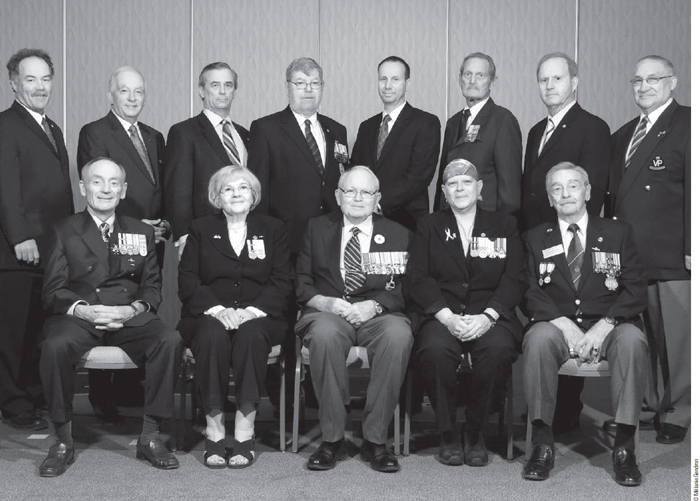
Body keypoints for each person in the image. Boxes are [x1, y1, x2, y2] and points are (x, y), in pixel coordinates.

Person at [39, 158, 182, 477]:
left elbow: (152, 286)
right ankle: (62, 441)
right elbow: (52, 290)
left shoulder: (141, 230)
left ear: (124, 189)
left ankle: (151, 436)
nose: (106, 189)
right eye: (97, 181)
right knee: (54, 346)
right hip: (80, 315)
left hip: (127, 315)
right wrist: (84, 309)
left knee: (169, 340)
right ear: (82, 187)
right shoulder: (64, 229)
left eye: (114, 182)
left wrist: (133, 309)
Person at [521, 162, 649, 486]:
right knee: (536, 340)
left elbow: (635, 288)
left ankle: (624, 449)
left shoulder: (619, 233)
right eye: (557, 189)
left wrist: (604, 326)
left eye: (573, 186)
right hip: (556, 324)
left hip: (611, 325)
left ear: (588, 192)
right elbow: (528, 291)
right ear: (550, 199)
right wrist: (562, 323)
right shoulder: (534, 238)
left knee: (633, 341)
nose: (566, 194)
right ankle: (541, 444)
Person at [407, 159, 524, 467]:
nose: (460, 188)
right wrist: (445, 316)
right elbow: (418, 277)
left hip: (490, 315)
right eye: (453, 184)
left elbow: (515, 278)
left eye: (467, 182)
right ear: (444, 192)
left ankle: (476, 431)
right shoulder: (428, 226)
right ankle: (447, 432)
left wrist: (488, 316)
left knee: (497, 350)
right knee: (433, 350)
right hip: (441, 314)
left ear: (480, 188)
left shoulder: (505, 225)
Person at [295, 166, 412, 473]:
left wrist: (374, 305)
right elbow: (301, 282)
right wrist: (324, 302)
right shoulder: (316, 228)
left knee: (398, 336)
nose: (358, 198)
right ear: (338, 195)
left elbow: (406, 287)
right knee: (323, 335)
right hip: (329, 313)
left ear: (378, 199)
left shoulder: (399, 233)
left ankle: (376, 441)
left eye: (366, 192)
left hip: (379, 313)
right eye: (350, 191)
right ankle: (332, 440)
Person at [178, 165, 294, 469]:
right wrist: (219, 311)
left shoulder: (273, 229)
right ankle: (214, 428)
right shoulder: (200, 228)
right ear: (217, 197)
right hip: (208, 314)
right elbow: (188, 279)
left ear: (254, 195)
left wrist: (250, 312)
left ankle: (245, 429)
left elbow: (283, 280)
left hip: (261, 315)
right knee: (211, 334)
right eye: (228, 189)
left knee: (252, 334)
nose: (236, 194)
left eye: (243, 187)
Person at [520, 52, 612, 435]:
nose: (550, 86)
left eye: (557, 79)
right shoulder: (535, 130)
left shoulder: (592, 127)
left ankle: (567, 410)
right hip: (539, 241)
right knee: (546, 317)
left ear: (574, 82)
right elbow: (530, 191)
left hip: (574, 239)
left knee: (574, 312)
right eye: (543, 80)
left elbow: (595, 188)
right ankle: (547, 408)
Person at [607, 55, 690, 445]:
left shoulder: (689, 125)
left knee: (675, 341)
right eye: (637, 80)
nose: (644, 86)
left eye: (653, 79)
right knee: (638, 339)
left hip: (671, 254)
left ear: (672, 82)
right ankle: (644, 405)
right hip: (628, 257)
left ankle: (679, 412)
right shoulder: (624, 133)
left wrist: (693, 245)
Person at [77, 66, 168, 420]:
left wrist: (162, 226)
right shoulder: (95, 132)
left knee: (141, 309)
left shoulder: (154, 136)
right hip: (112, 236)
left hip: (151, 240)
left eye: (139, 92)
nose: (133, 98)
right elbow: (100, 185)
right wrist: (133, 225)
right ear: (111, 93)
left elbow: (161, 188)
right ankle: (103, 395)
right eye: (125, 91)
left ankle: (133, 387)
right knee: (108, 306)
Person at [0, 49, 73, 430]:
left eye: (45, 79)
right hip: (18, 253)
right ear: (13, 82)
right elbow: (6, 187)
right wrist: (20, 237)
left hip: (51, 251)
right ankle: (14, 407)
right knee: (13, 335)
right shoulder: (5, 124)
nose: (40, 86)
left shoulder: (52, 127)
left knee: (37, 332)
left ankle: (31, 398)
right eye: (31, 79)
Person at [248, 57, 349, 255]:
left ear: (322, 87)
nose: (308, 89)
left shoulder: (337, 130)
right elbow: (258, 188)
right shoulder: (266, 129)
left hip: (332, 233)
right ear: (288, 88)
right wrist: (262, 235)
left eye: (314, 83)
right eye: (300, 83)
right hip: (286, 236)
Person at [164, 62, 249, 258]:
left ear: (234, 92)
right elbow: (178, 190)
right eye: (215, 85)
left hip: (244, 234)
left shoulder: (245, 135)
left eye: (228, 85)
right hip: (202, 237)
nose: (222, 91)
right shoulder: (184, 132)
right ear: (201, 91)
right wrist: (184, 237)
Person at [350, 56, 440, 231]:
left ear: (408, 84)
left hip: (407, 221)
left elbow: (419, 176)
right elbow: (356, 169)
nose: (388, 86)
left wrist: (378, 203)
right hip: (364, 221)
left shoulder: (425, 123)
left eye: (395, 79)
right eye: (383, 79)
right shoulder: (366, 127)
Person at [434, 52, 521, 214]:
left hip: (486, 222)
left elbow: (510, 189)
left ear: (492, 82)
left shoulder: (502, 120)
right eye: (468, 74)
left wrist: (501, 226)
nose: (472, 81)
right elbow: (443, 179)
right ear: (460, 79)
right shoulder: (453, 122)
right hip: (451, 221)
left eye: (480, 75)